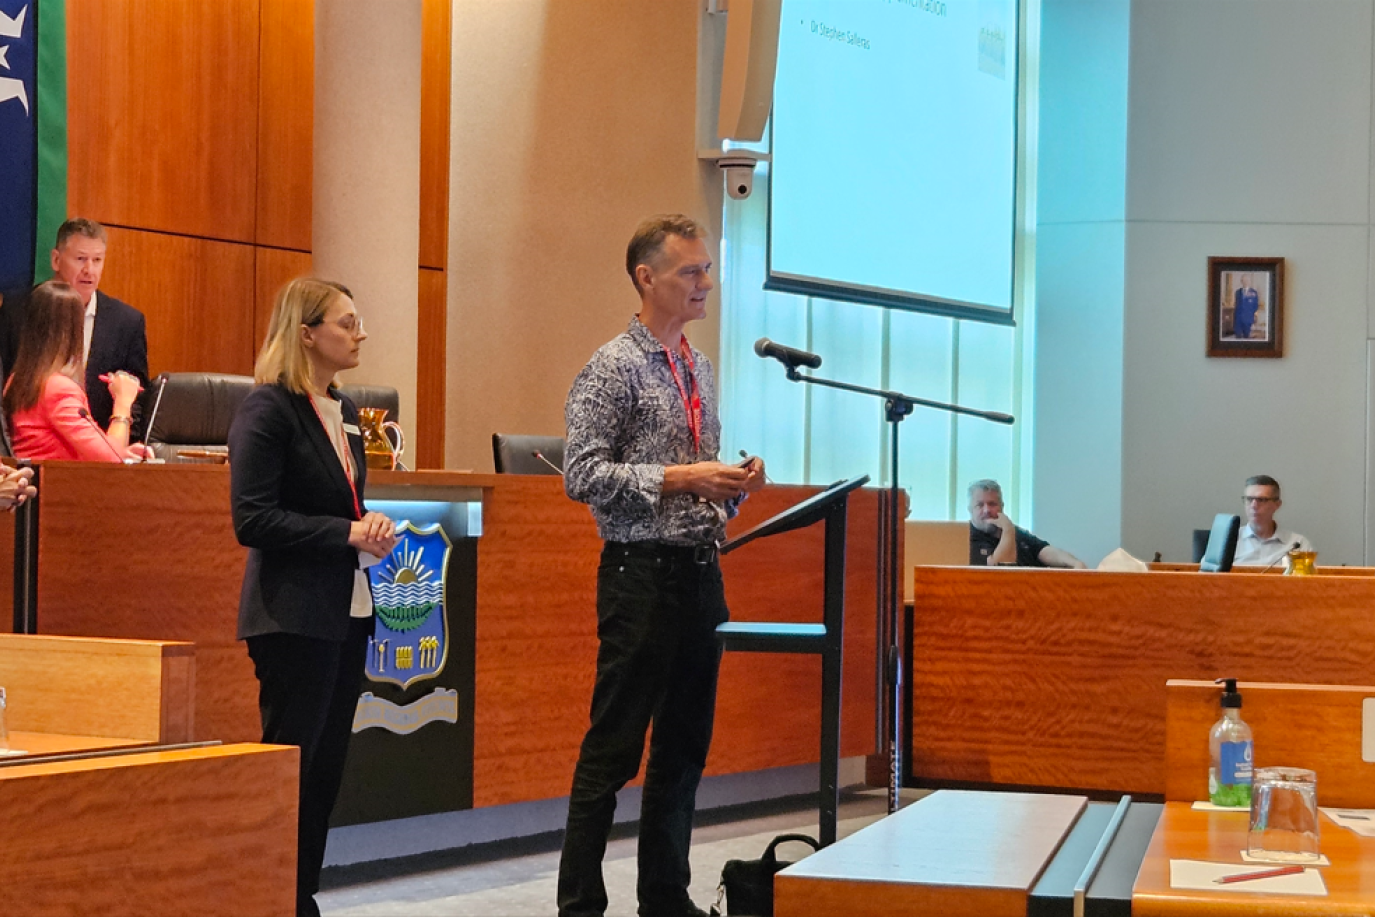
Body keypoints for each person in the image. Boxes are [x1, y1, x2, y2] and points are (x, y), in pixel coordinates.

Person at [557, 214, 766, 917]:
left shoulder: (697, 367)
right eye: (689, 271)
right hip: (637, 574)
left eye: (706, 269)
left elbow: (695, 487)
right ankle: (579, 903)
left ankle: (665, 901)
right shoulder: (612, 365)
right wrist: (683, 477)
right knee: (613, 752)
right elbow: (581, 474)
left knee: (682, 752)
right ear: (647, 277)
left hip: (699, 573)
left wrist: (731, 484)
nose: (704, 282)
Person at [227, 278, 397, 917]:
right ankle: (275, 899)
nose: (360, 334)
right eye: (347, 323)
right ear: (307, 332)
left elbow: (342, 507)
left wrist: (367, 527)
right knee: (291, 771)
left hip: (348, 613)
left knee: (324, 775)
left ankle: (301, 897)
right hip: (292, 616)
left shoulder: (346, 410)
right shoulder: (267, 409)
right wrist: (345, 531)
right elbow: (253, 519)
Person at [0, 218, 150, 432]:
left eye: (97, 260)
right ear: (56, 260)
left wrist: (121, 450)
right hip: (26, 449)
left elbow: (137, 397)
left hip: (99, 450)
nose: (89, 270)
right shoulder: (17, 311)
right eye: (81, 259)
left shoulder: (126, 322)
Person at [3, 280, 150, 462]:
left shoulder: (17, 380)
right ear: (74, 331)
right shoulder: (59, 389)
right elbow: (110, 460)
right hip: (59, 487)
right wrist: (123, 402)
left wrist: (121, 451)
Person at [968, 478, 1086, 568]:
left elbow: (1043, 550)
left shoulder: (1017, 533)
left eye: (992, 504)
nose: (987, 510)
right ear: (970, 510)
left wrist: (1075, 563)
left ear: (1002, 507)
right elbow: (1000, 570)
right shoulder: (965, 538)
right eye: (980, 505)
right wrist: (1008, 531)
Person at [1233, 474, 1312, 566]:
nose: (1253, 505)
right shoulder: (1228, 542)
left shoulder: (1297, 544)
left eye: (1261, 500)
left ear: (1277, 504)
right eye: (1249, 499)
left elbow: (1308, 579)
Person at [1233, 274, 1260, 340]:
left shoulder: (1253, 292)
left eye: (1247, 280)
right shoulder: (1237, 292)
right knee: (1237, 337)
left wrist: (1250, 315)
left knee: (1246, 337)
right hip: (1238, 319)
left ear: (1249, 281)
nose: (1245, 282)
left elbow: (1255, 306)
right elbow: (1236, 304)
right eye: (1243, 280)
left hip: (1248, 319)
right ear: (1241, 281)